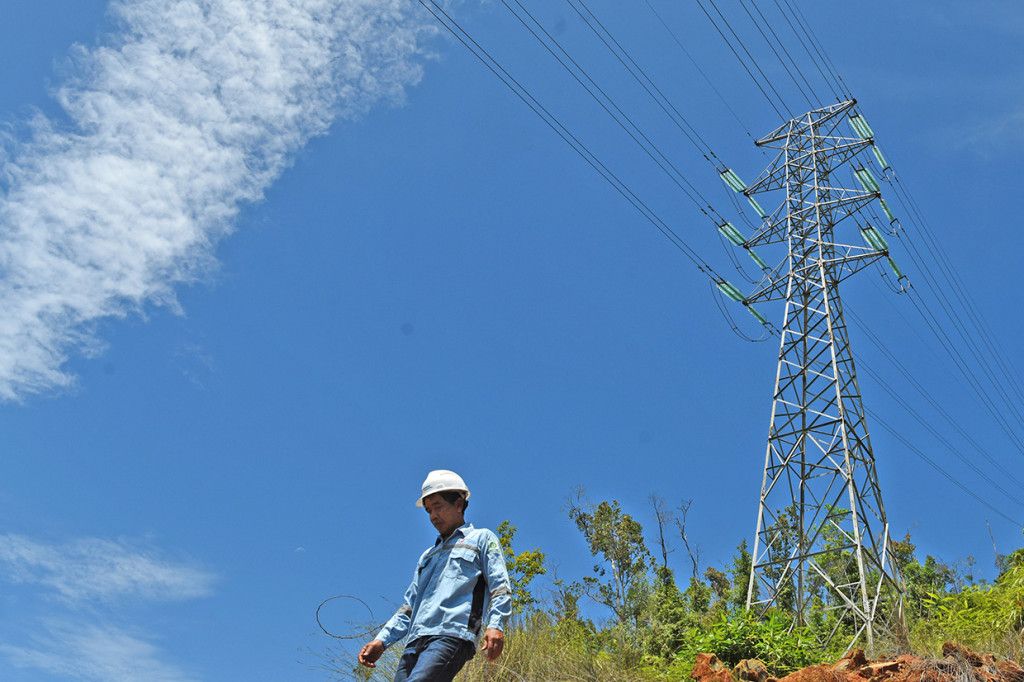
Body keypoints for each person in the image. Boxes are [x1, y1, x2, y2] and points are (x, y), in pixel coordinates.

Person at [358, 470, 513, 682]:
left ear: (459, 504)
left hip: (452, 635)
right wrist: (381, 641)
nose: (432, 516)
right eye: (428, 510)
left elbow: (500, 586)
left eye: (437, 507)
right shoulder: (427, 557)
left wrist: (496, 625)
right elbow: (409, 607)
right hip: (415, 641)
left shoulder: (481, 539)